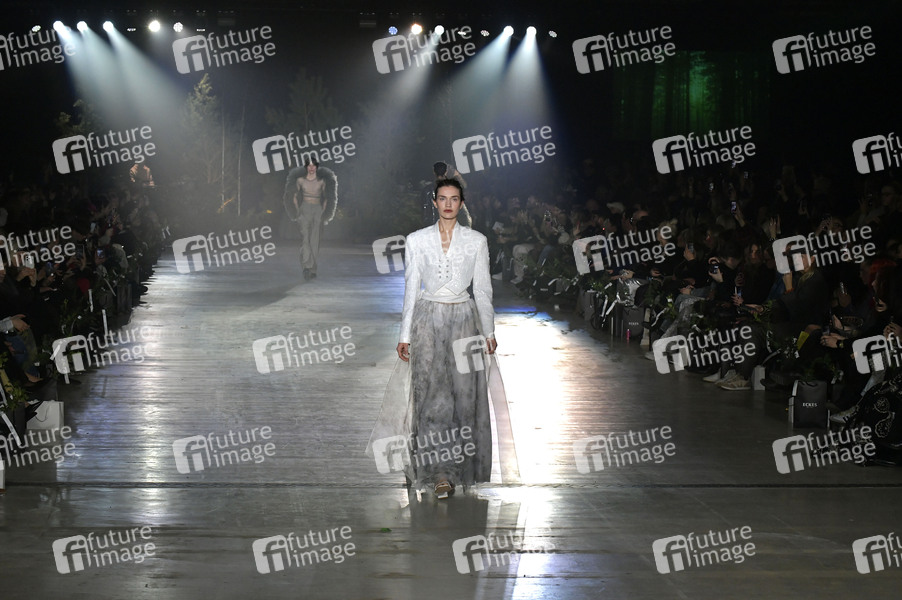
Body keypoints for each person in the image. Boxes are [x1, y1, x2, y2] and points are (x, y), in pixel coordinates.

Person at [368, 178, 499, 499]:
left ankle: (454, 469)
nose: (448, 204)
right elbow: (411, 288)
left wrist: (489, 330)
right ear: (434, 202)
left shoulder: (477, 241)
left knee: (463, 399)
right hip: (427, 322)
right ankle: (439, 472)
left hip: (464, 322)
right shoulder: (417, 240)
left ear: (462, 203)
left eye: (454, 199)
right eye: (443, 198)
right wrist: (404, 334)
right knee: (430, 398)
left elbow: (483, 289)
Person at [282, 157, 338, 281]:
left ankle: (312, 269)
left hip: (317, 210)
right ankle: (306, 267)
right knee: (305, 239)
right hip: (304, 209)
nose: (311, 168)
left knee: (314, 241)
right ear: (306, 167)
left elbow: (327, 197)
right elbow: (293, 195)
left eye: (313, 165)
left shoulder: (322, 181)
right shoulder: (300, 180)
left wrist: (323, 212)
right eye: (309, 165)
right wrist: (297, 211)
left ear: (317, 167)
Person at [421, 161, 467, 226]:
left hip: (435, 227)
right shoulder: (454, 188)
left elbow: (425, 213)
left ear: (434, 172)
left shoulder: (427, 190)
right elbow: (463, 214)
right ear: (446, 171)